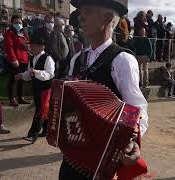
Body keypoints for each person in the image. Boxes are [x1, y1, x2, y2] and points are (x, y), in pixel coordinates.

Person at [62, 0, 149, 179]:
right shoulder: (77, 59)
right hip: (73, 153)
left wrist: (131, 140)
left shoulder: (122, 59)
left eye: (88, 11)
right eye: (80, 13)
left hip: (102, 157)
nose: (81, 17)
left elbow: (135, 108)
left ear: (108, 18)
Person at [15, 34, 55, 143]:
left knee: (41, 110)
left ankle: (33, 134)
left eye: (33, 46)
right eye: (31, 46)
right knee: (41, 108)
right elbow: (29, 72)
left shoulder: (48, 58)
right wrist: (22, 75)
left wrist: (36, 72)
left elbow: (50, 74)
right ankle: (46, 130)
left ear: (41, 47)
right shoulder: (32, 58)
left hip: (45, 89)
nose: (31, 48)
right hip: (36, 88)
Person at [4, 14, 30, 107]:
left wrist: (28, 47)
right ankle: (12, 98)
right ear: (12, 23)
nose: (18, 24)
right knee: (13, 80)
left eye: (20, 23)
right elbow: (9, 47)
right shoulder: (9, 33)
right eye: (16, 23)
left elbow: (28, 43)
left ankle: (20, 97)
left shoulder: (23, 33)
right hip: (15, 60)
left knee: (22, 79)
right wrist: (13, 59)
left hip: (24, 59)